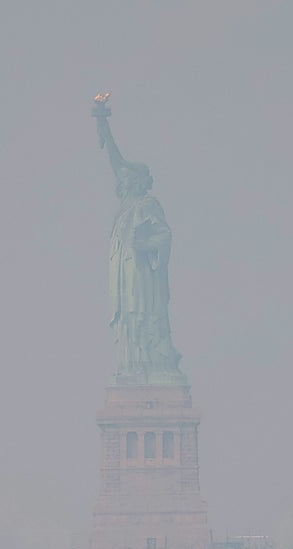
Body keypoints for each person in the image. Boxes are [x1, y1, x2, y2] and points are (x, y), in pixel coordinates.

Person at [93, 96, 183, 380]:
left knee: (142, 316)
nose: (121, 181)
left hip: (143, 275)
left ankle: (149, 365)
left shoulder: (146, 205)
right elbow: (116, 162)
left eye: (127, 178)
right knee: (128, 320)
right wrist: (104, 127)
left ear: (138, 181)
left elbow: (164, 235)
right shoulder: (126, 208)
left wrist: (145, 246)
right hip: (124, 275)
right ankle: (132, 366)